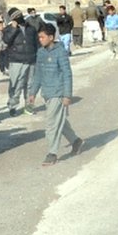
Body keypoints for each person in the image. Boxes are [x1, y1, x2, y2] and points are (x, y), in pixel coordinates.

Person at [29, 23, 83, 166]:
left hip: (58, 93)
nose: (40, 39)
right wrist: (33, 92)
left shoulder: (60, 52)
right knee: (60, 121)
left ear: (51, 37)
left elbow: (67, 74)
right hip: (47, 93)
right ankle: (76, 141)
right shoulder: (40, 52)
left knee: (51, 123)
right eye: (39, 37)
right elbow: (38, 74)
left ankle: (52, 153)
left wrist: (67, 95)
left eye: (42, 37)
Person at [3, 7, 39, 116]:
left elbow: (37, 44)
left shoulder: (31, 28)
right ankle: (13, 107)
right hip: (17, 61)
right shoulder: (8, 29)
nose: (19, 18)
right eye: (15, 17)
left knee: (30, 85)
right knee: (16, 85)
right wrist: (14, 28)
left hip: (31, 60)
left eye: (19, 15)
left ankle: (29, 107)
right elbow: (6, 40)